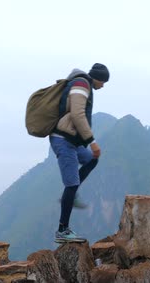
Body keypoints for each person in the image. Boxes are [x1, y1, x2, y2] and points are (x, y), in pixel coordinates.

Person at [50, 63, 110, 243]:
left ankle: (71, 193)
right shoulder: (81, 85)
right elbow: (77, 114)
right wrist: (92, 142)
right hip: (63, 140)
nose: (103, 85)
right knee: (71, 183)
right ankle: (62, 230)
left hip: (73, 140)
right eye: (103, 81)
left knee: (92, 159)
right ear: (97, 78)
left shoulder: (84, 86)